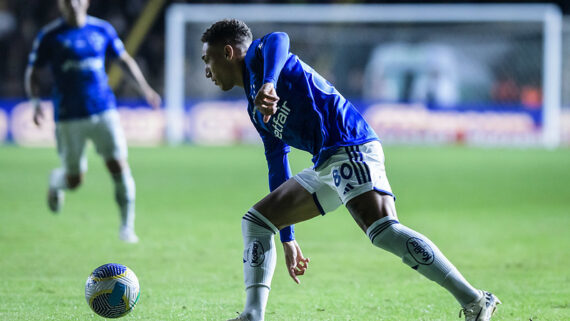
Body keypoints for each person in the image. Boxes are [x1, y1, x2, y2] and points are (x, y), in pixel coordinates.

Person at [201, 19, 501, 321]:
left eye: (207, 60)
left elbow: (280, 37)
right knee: (257, 222)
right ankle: (253, 314)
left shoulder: (259, 55)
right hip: (325, 161)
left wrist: (269, 81)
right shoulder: (255, 107)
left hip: (350, 144)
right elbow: (277, 162)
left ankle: (476, 300)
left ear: (228, 52)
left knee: (383, 230)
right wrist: (287, 236)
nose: (206, 71)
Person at [24, 0, 161, 243]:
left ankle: (126, 228)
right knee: (74, 180)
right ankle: (56, 181)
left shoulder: (102, 30)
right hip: (68, 116)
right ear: (60, 4)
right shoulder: (50, 35)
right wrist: (35, 103)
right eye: (68, 0)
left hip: (104, 111)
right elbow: (33, 71)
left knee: (118, 165)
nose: (74, 4)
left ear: (86, 2)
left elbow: (124, 60)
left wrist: (145, 89)